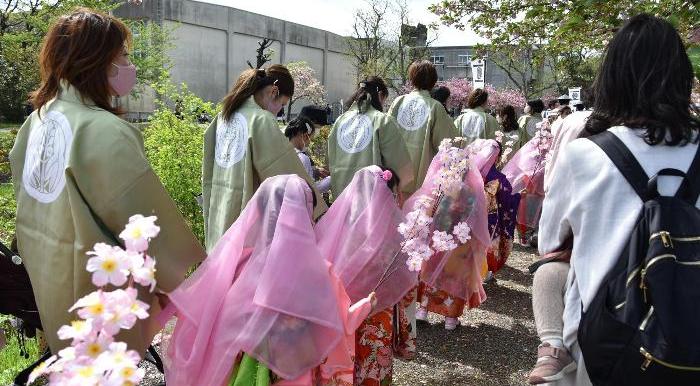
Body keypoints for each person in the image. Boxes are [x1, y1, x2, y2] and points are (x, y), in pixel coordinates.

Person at [9, 8, 206, 354]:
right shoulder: (101, 129)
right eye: (124, 57)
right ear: (96, 61)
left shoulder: (38, 120)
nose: (130, 67)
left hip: (49, 274)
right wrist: (187, 273)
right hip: (97, 289)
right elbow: (142, 221)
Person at [537, 14, 700, 385]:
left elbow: (549, 242)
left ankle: (551, 352)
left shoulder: (585, 155)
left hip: (611, 342)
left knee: (551, 272)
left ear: (611, 77)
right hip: (693, 336)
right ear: (681, 77)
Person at [164, 175, 377, 386]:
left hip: (239, 373)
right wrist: (366, 305)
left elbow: (206, 314)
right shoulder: (318, 273)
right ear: (303, 216)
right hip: (293, 374)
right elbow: (336, 323)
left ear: (259, 211)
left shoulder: (238, 263)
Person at [201, 65, 327, 251]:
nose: (278, 112)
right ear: (274, 91)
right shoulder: (260, 120)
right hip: (245, 221)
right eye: (282, 105)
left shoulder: (222, 117)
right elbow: (285, 174)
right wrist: (316, 206)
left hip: (219, 213)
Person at [316, 166, 418, 385]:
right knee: (373, 361)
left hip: (342, 309)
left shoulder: (339, 220)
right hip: (376, 308)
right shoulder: (392, 228)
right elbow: (405, 279)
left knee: (345, 363)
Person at [413, 145, 490, 330]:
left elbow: (428, 211)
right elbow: (477, 219)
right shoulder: (472, 192)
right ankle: (450, 319)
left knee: (430, 271)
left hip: (437, 238)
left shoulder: (439, 189)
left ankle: (423, 309)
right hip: (460, 242)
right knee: (455, 276)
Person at [329, 76, 415, 197]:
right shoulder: (382, 120)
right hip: (371, 197)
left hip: (342, 196)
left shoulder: (340, 120)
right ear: (380, 94)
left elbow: (330, 160)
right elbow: (399, 164)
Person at [388, 61, 459, 189]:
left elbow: (386, 136)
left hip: (396, 174)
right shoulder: (435, 106)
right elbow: (447, 143)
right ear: (433, 81)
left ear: (412, 78)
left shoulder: (398, 101)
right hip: (422, 177)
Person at [470, 140, 521, 278]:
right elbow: (508, 201)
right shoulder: (500, 178)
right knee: (487, 241)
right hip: (490, 219)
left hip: (470, 217)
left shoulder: (468, 174)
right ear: (497, 157)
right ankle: (484, 271)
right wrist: (518, 196)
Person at [284, 116, 331, 194]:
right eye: (310, 139)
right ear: (305, 136)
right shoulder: (302, 158)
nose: (309, 143)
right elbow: (310, 190)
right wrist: (331, 180)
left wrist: (314, 171)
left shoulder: (280, 153)